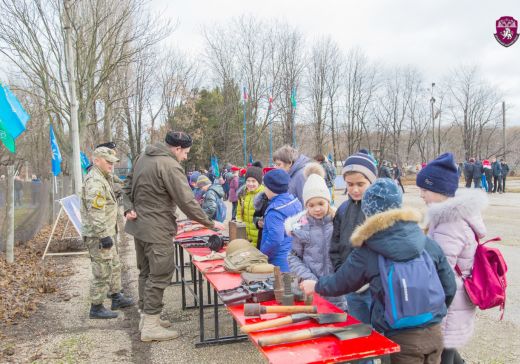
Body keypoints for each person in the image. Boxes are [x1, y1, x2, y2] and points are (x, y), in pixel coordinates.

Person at [301, 178, 456, 364]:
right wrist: (433, 313)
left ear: (368, 212)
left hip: (399, 338)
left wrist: (316, 285)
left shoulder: (369, 250)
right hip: (435, 332)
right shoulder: (426, 242)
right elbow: (450, 286)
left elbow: (341, 283)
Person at [123, 131, 225, 342]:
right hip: (157, 228)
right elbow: (187, 201)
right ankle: (150, 326)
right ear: (177, 149)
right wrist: (210, 222)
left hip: (139, 227)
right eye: (185, 152)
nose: (186, 157)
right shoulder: (169, 165)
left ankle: (148, 317)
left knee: (147, 272)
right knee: (160, 272)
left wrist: (127, 207)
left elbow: (126, 186)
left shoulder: (142, 157)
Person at [417, 153, 486, 364]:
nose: (421, 194)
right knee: (449, 349)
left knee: (443, 350)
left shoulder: (450, 223)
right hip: (455, 295)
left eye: (425, 189)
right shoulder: (451, 218)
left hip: (449, 299)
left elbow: (440, 267)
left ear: (440, 191)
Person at [81, 147, 134, 320]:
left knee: (115, 264)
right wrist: (104, 236)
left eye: (113, 162)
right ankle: (96, 307)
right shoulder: (95, 182)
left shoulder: (105, 177)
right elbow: (96, 212)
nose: (111, 165)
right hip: (99, 234)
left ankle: (116, 296)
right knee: (102, 270)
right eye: (108, 162)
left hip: (108, 231)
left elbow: (118, 183)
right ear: (96, 161)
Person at [286, 163, 347, 310]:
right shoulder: (301, 227)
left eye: (320, 203)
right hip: (312, 292)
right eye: (311, 205)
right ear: (306, 206)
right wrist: (309, 278)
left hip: (339, 292)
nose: (317, 209)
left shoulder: (339, 223)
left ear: (328, 201)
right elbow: (293, 257)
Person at [329, 150, 377, 326]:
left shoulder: (379, 210)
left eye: (360, 184)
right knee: (359, 329)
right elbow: (335, 246)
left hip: (374, 288)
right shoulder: (342, 210)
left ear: (371, 181)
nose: (354, 189)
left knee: (380, 332)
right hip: (351, 285)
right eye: (349, 184)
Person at [260, 169, 302, 272]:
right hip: (294, 255)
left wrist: (261, 254)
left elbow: (275, 239)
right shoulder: (295, 202)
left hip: (279, 260)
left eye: (265, 186)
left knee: (281, 286)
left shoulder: (274, 212)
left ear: (271, 188)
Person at [236, 166, 264, 247]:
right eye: (248, 181)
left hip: (258, 236)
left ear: (259, 182)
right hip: (245, 234)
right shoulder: (242, 194)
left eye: (253, 181)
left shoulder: (264, 195)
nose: (250, 184)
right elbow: (238, 213)